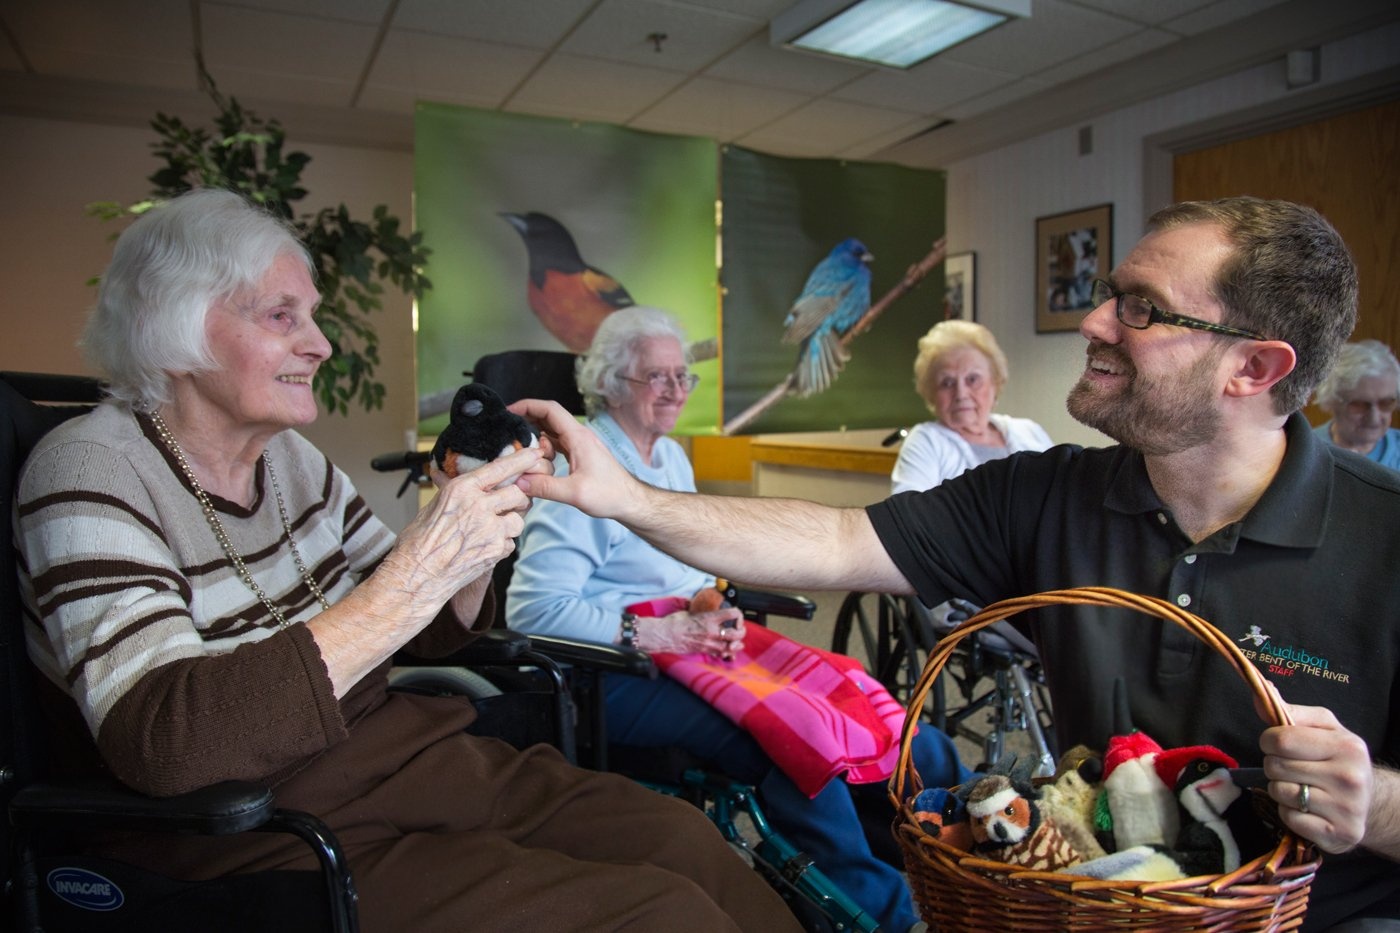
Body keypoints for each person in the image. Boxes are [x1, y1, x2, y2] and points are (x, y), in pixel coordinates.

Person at [514, 197, 1400, 931]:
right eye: (1107, 293)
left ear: (1252, 367)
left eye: (1140, 306)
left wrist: (1377, 804)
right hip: (1095, 903)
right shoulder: (1043, 495)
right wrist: (624, 495)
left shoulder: (1386, 539)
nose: (1093, 321)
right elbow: (833, 541)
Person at [16, 189, 800, 933]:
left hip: (409, 760)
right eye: (281, 315)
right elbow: (169, 743)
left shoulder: (292, 459)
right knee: (659, 915)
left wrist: (469, 544)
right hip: (261, 828)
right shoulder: (90, 468)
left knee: (685, 839)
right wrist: (415, 572)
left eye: (312, 317)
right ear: (173, 326)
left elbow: (418, 634)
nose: (319, 344)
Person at [506, 306, 969, 933]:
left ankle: (937, 853)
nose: (676, 390)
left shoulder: (668, 456)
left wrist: (702, 598)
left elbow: (684, 563)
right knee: (793, 736)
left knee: (854, 693)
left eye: (682, 376)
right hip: (609, 671)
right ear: (612, 384)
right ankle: (877, 913)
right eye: (657, 377)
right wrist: (656, 631)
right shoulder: (577, 471)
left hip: (688, 643)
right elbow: (533, 610)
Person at [891, 319, 1052, 495]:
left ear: (995, 383)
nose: (961, 393)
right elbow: (907, 516)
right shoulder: (925, 441)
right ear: (931, 393)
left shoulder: (1029, 431)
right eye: (947, 382)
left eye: (972, 379)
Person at [1312, 338, 1400, 470]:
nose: (1374, 418)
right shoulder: (1307, 451)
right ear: (1331, 401)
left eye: (1385, 403)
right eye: (1359, 405)